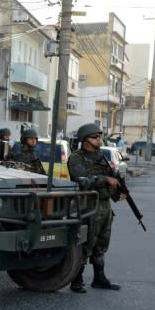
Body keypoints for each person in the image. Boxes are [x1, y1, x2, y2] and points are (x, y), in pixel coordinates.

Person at [67, 122, 125, 293]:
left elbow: (111, 177)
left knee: (102, 242)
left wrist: (117, 191)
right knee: (86, 242)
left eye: (100, 137)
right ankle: (76, 279)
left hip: (105, 204)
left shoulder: (101, 156)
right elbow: (83, 181)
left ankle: (99, 278)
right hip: (88, 205)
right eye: (95, 137)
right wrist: (105, 180)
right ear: (85, 139)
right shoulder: (76, 158)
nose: (99, 140)